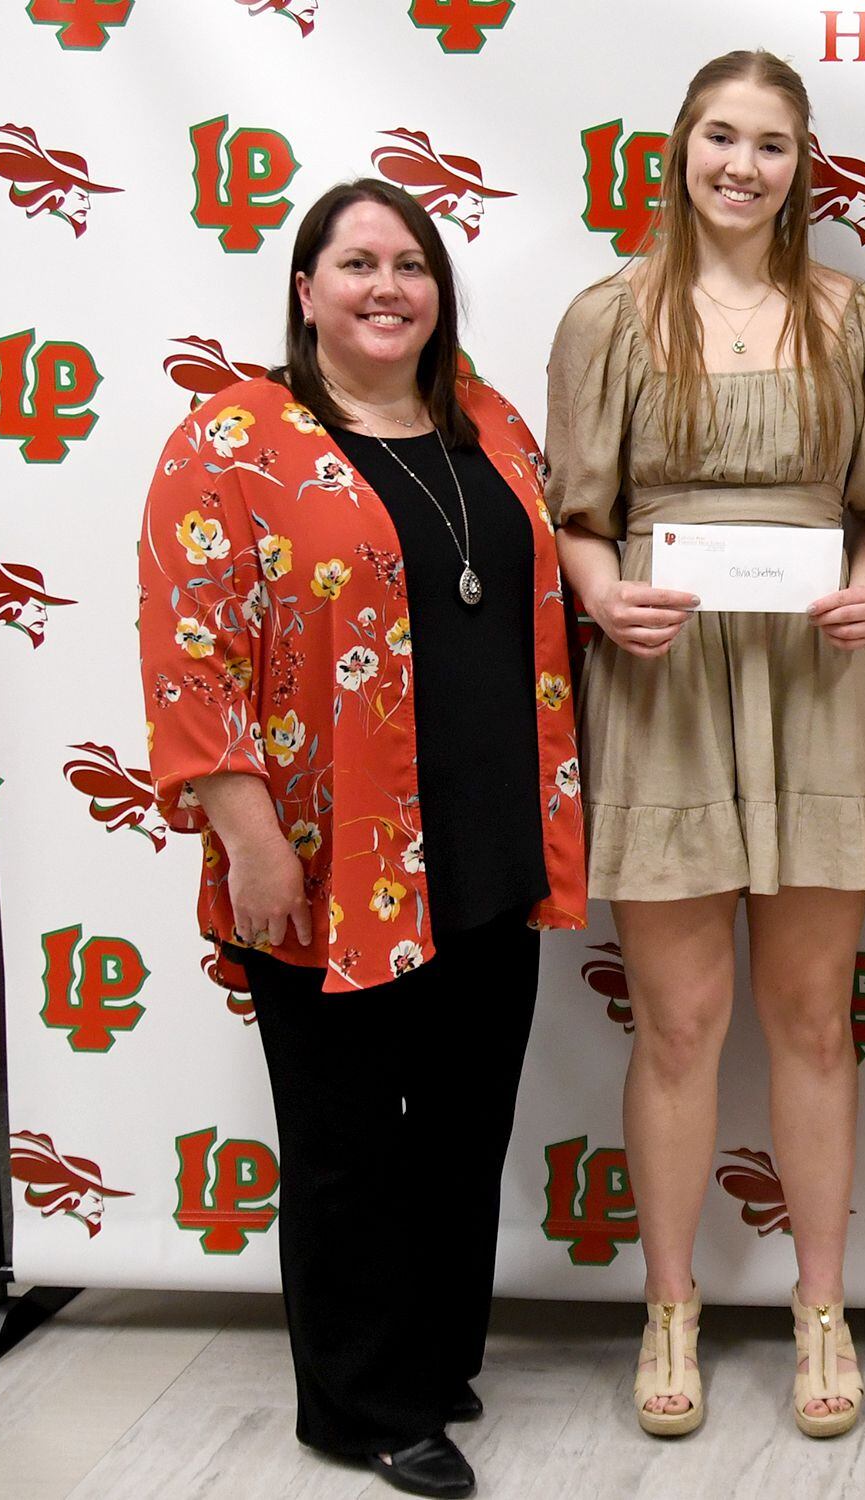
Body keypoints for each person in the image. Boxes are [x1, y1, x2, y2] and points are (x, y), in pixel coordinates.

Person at [136, 178, 587, 1500]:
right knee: (347, 1145)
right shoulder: (231, 441)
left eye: (411, 264)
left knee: (460, 1125)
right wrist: (250, 839)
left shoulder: (488, 422)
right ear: (305, 288)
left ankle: (433, 1364)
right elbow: (189, 655)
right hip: (327, 856)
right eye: (357, 264)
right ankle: (356, 1406)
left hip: (492, 837)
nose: (387, 287)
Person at [544, 49, 865, 1441]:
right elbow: (579, 514)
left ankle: (823, 1309)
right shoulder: (610, 317)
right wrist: (599, 595)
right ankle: (672, 1304)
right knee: (682, 1024)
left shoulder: (853, 319)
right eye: (720, 137)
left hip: (816, 682)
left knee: (815, 1020)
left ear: (801, 165)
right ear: (681, 149)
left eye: (770, 143)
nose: (742, 166)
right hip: (665, 683)